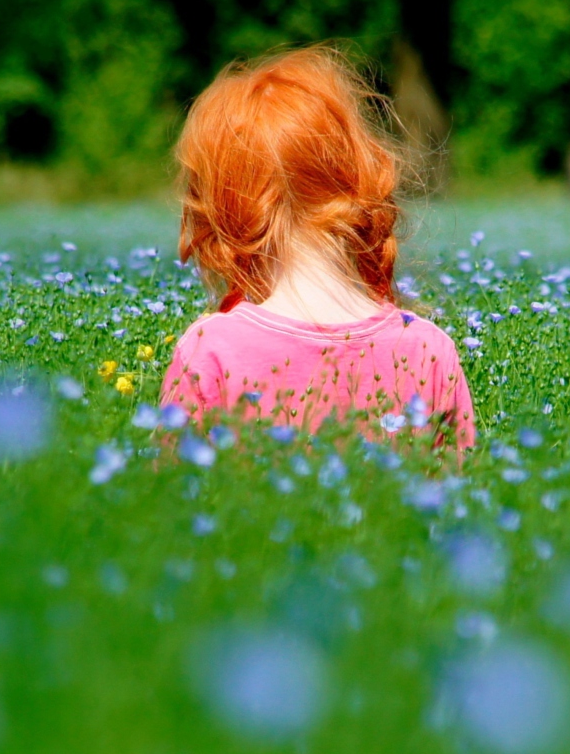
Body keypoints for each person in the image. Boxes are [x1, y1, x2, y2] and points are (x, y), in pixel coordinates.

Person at [160, 45, 475, 451]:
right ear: (360, 175)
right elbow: (457, 502)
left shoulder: (211, 351)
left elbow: (167, 501)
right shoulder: (430, 352)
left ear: (222, 213)